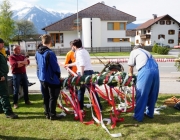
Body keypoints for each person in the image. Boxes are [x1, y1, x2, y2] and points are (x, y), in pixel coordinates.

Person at [65, 39, 102, 113]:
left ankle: (80, 108)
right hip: (90, 72)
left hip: (83, 72)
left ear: (75, 46)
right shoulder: (84, 50)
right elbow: (78, 62)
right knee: (92, 90)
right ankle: (99, 107)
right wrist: (68, 65)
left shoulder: (79, 52)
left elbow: (81, 64)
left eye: (73, 46)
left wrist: (81, 77)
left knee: (80, 91)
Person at [128, 45, 159, 122]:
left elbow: (131, 66)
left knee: (142, 94)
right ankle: (150, 114)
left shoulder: (134, 51)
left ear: (134, 48)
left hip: (145, 71)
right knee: (153, 93)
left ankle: (138, 116)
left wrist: (130, 77)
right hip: (156, 71)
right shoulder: (147, 52)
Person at [35, 34, 62, 120]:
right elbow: (55, 67)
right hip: (51, 78)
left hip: (42, 78)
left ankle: (47, 113)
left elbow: (38, 66)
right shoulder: (50, 53)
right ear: (50, 42)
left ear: (42, 42)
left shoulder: (37, 53)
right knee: (53, 97)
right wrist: (58, 75)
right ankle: (52, 114)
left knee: (46, 96)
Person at [0, 38, 18, 119]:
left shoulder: (1, 53)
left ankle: (1, 109)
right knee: (4, 95)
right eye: (2, 43)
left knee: (2, 94)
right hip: (1, 77)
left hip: (3, 75)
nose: (3, 45)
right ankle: (8, 112)